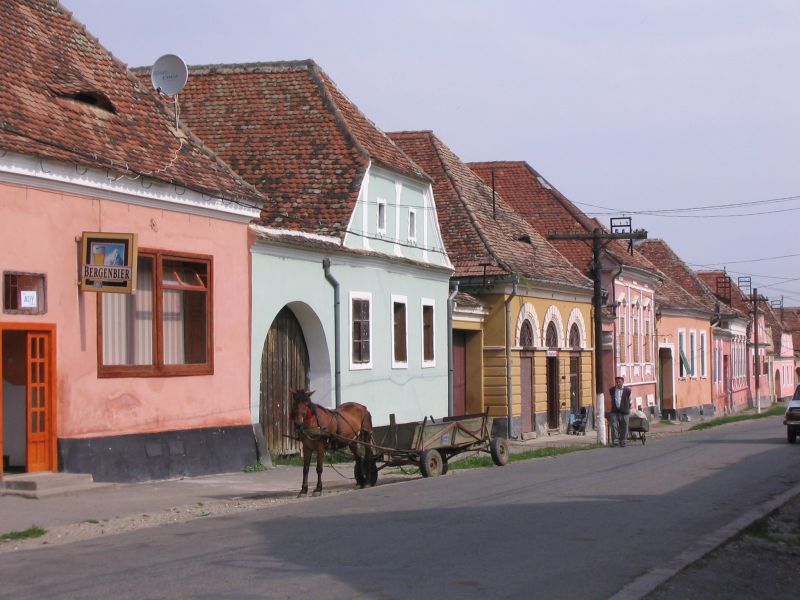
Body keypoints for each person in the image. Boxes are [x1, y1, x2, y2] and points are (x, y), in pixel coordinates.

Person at [609, 375, 631, 447]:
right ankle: (615, 441)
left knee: (624, 427)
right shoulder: (612, 390)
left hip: (624, 411)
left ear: (623, 382)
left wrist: (628, 409)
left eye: (619, 382)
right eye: (617, 382)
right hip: (614, 411)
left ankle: (623, 441)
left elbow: (630, 401)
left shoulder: (628, 390)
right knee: (614, 426)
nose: (618, 383)